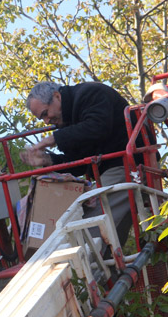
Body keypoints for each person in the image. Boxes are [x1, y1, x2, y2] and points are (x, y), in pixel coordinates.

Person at [19, 81, 144, 251]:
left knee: (88, 220)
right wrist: (48, 160)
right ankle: (107, 267)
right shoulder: (68, 122)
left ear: (57, 96)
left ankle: (82, 265)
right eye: (43, 118)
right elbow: (78, 164)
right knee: (108, 236)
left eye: (46, 113)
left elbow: (98, 126)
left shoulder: (90, 93)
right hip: (109, 170)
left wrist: (53, 139)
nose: (47, 121)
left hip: (128, 164)